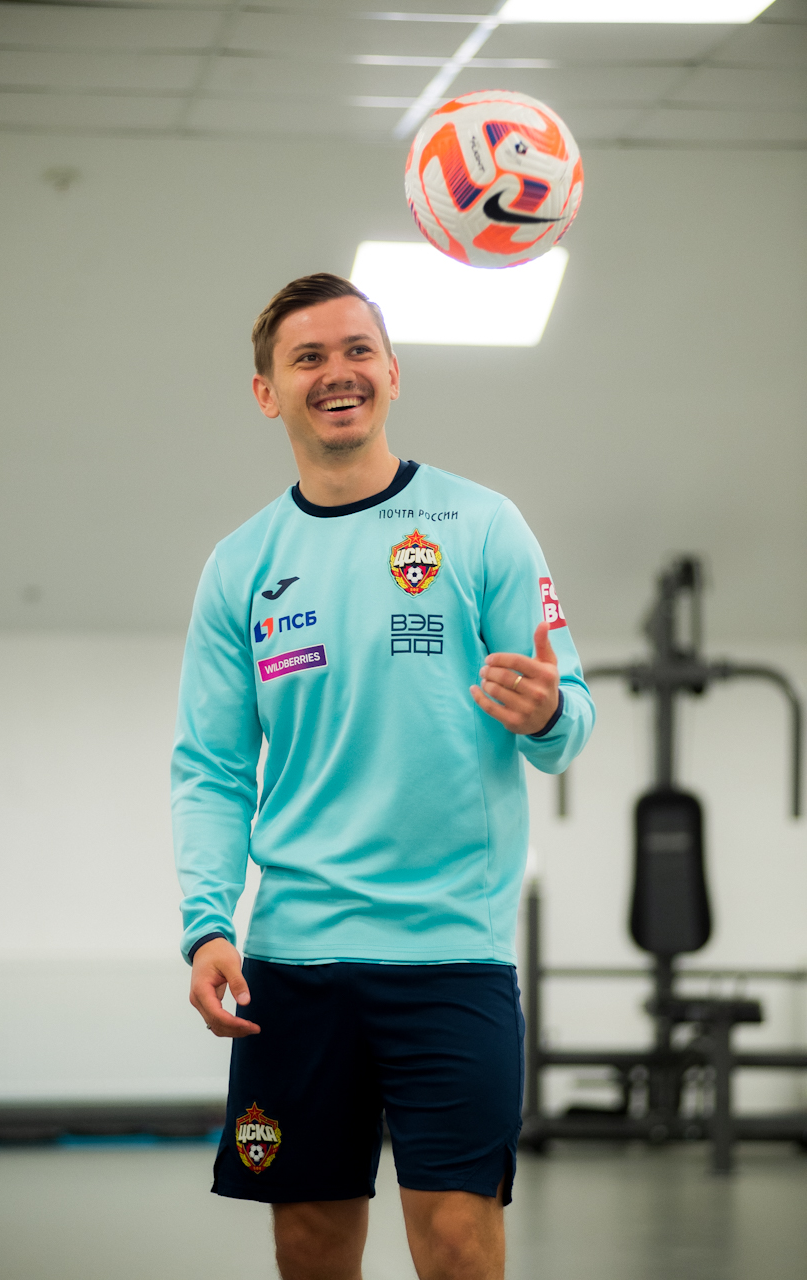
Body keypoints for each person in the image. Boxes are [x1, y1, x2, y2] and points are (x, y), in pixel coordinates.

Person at [171, 272, 595, 1280]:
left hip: (453, 956)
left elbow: (568, 720)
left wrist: (548, 713)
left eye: (358, 350)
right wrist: (207, 921)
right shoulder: (241, 566)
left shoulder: (483, 525)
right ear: (267, 392)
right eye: (308, 357)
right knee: (311, 1245)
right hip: (294, 963)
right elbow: (213, 768)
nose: (339, 372)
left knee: (457, 1244)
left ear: (393, 373)